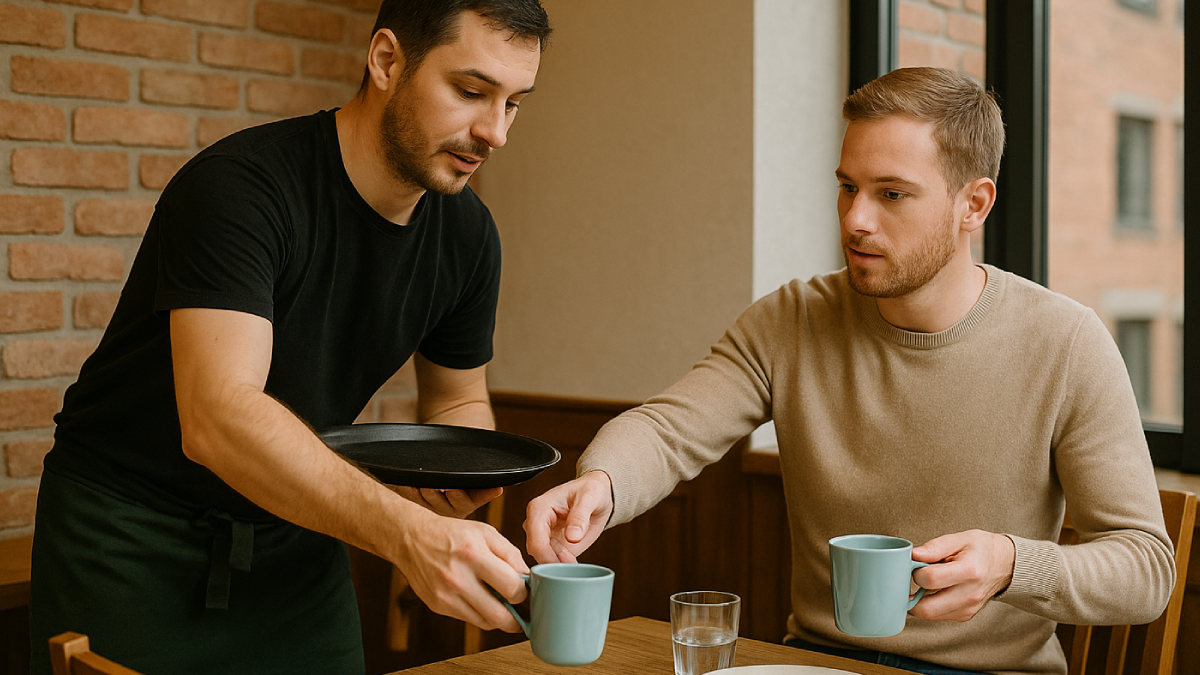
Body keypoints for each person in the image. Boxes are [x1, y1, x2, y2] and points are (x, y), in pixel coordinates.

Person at [524, 67, 1175, 675]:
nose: (856, 219)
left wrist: (1012, 563)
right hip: (815, 660)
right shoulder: (792, 318)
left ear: (973, 204)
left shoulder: (1067, 342)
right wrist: (604, 481)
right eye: (847, 187)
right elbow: (669, 430)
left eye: (892, 193)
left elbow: (1145, 568)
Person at [30, 1, 551, 673]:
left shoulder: (470, 236)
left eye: (514, 104)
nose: (496, 132)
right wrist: (409, 534)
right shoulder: (240, 189)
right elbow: (217, 418)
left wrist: (462, 481)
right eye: (471, 91)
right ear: (387, 60)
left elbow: (455, 401)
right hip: (129, 536)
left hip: (298, 537)